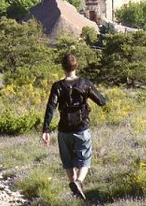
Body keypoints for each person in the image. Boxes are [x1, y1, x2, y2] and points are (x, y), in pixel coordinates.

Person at [42, 53, 106, 201]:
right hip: (81, 128)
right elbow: (102, 102)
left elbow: (50, 107)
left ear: (63, 68)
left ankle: (74, 189)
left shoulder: (58, 86)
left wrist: (46, 129)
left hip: (64, 130)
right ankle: (78, 182)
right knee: (85, 160)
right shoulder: (85, 83)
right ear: (76, 66)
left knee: (68, 161)